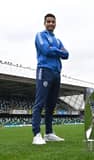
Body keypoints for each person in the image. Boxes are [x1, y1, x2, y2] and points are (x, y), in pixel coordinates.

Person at [32, 13, 69, 145]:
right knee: (40, 103)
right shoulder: (40, 35)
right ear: (44, 23)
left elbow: (67, 54)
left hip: (56, 73)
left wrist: (53, 48)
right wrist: (57, 50)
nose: (51, 24)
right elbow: (45, 50)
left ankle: (48, 133)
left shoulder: (57, 40)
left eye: (53, 22)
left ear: (55, 23)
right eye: (48, 21)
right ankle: (36, 134)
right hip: (45, 70)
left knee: (51, 104)